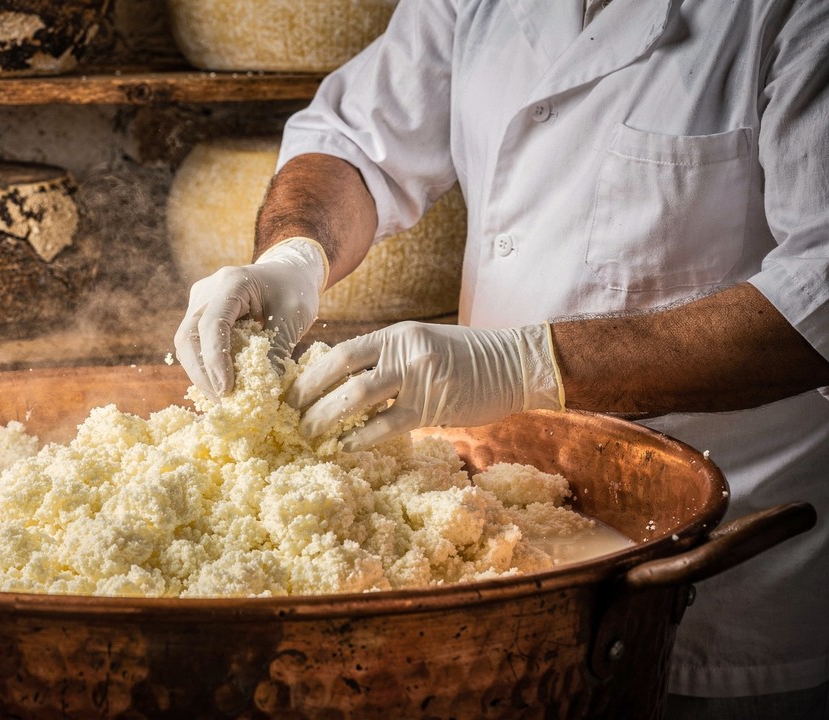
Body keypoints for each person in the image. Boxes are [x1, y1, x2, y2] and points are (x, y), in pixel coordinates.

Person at [173, 0, 829, 716]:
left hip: (728, 543)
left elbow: (818, 294)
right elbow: (354, 141)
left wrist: (523, 364)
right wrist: (295, 253)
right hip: (500, 526)